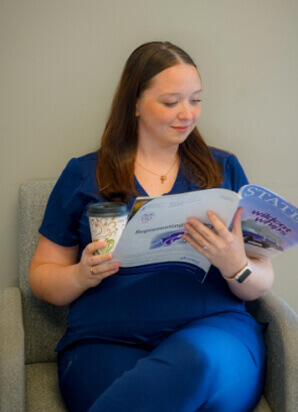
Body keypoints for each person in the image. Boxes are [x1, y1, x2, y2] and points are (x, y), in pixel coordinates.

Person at [29, 41, 274, 412]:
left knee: (195, 363)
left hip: (215, 333)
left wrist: (235, 264)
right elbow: (42, 277)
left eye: (196, 100)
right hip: (105, 342)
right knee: (147, 393)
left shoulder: (225, 170)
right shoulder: (82, 174)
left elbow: (262, 277)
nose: (187, 114)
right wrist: (81, 274)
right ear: (135, 104)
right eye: (171, 101)